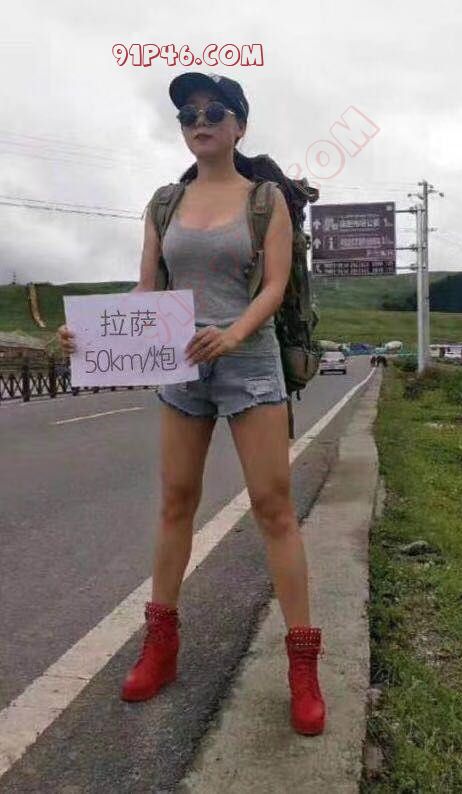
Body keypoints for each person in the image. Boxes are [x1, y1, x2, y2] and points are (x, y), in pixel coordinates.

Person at [57, 71, 325, 736]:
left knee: (274, 508)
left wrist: (232, 334)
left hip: (249, 360)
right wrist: (93, 332)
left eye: (214, 111)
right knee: (176, 501)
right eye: (188, 114)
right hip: (179, 362)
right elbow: (148, 291)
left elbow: (275, 285)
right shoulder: (163, 203)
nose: (199, 121)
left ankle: (303, 667)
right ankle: (161, 647)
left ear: (239, 126)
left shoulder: (266, 199)